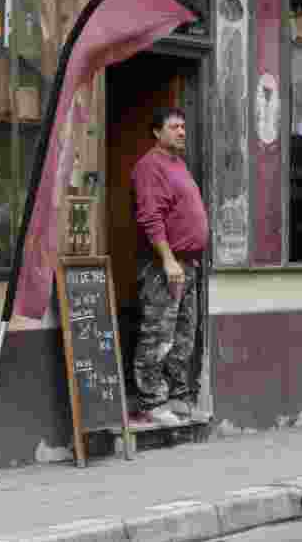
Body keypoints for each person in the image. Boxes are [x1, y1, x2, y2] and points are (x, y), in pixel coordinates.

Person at [129, 107, 208, 427]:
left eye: (183, 127)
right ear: (157, 132)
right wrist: (168, 259)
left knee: (183, 337)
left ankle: (177, 398)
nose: (182, 132)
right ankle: (151, 402)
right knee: (158, 334)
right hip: (165, 266)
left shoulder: (179, 165)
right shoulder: (149, 167)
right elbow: (151, 217)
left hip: (188, 264)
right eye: (174, 127)